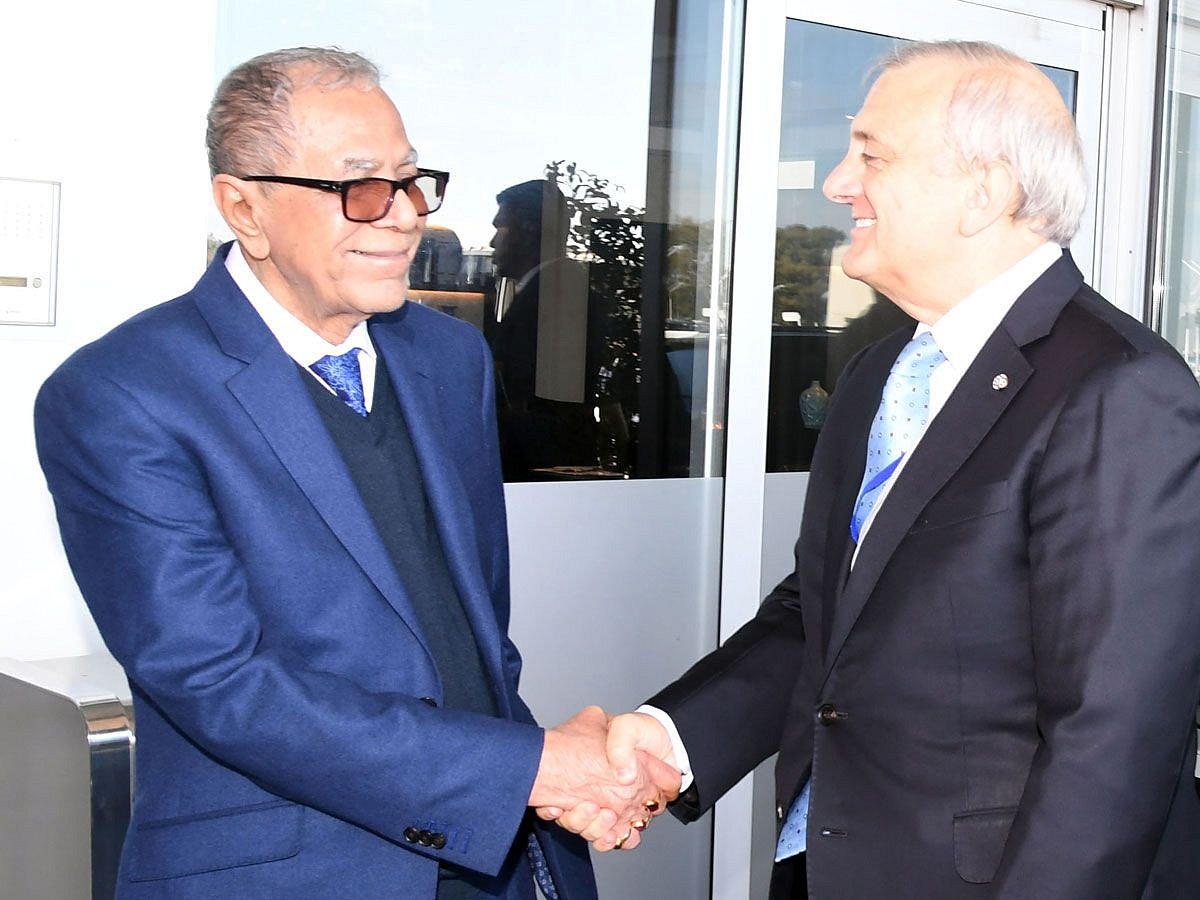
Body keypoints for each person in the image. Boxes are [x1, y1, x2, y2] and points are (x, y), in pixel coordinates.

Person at [34, 47, 675, 899]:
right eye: (361, 186)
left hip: (499, 856)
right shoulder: (122, 393)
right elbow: (220, 682)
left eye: (412, 182)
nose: (405, 215)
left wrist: (542, 778)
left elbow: (473, 628)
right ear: (244, 208)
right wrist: (532, 771)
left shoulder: (450, 359)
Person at [571, 40, 1200, 898]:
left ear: (987, 191)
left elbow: (1117, 733)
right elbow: (826, 616)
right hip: (825, 865)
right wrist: (671, 737)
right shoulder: (882, 371)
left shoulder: (1121, 388)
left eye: (872, 155)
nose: (836, 184)